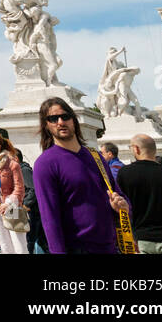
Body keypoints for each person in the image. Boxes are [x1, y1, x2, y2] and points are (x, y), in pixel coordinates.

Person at [32, 97, 131, 254]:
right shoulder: (45, 164)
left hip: (110, 246)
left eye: (65, 116)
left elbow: (119, 196)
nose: (60, 122)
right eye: (53, 119)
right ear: (46, 125)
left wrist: (122, 206)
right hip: (77, 248)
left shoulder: (97, 157)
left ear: (74, 120)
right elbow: (49, 217)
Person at [0, 130, 27, 254]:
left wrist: (8, 203)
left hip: (12, 208)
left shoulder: (12, 164)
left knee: (20, 247)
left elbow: (20, 188)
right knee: (5, 247)